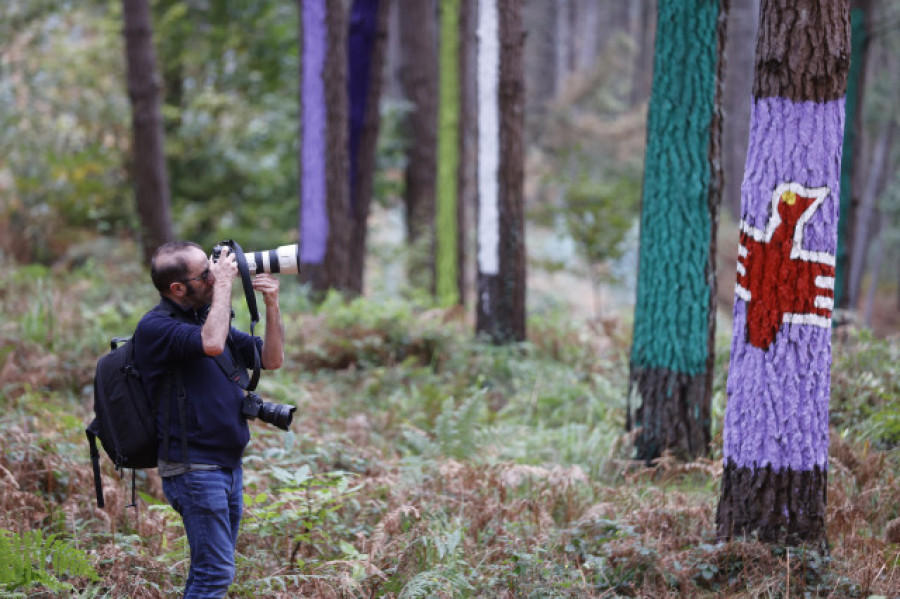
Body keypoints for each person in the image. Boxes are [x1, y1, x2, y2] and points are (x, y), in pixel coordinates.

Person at [134, 241, 284, 598]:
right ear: (177, 288)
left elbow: (272, 359)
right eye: (206, 274)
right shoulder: (157, 327)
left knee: (211, 572)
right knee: (215, 574)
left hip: (228, 467)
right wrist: (226, 288)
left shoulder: (205, 319)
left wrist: (272, 305)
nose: (215, 275)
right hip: (194, 469)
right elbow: (212, 344)